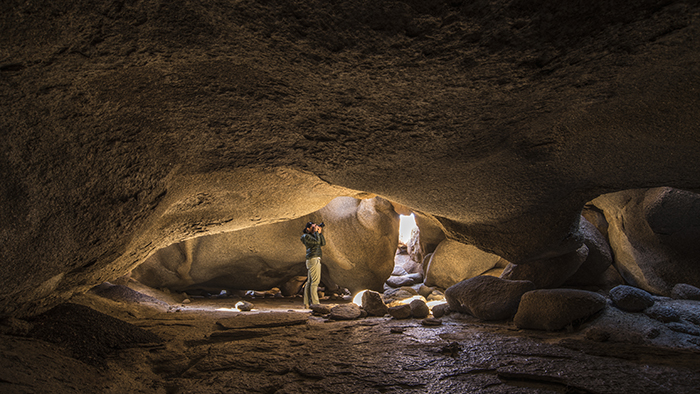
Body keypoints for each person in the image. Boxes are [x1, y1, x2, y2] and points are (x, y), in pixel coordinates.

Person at [301, 221, 326, 309]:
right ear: (308, 229)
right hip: (313, 259)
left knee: (310, 282)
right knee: (315, 282)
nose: (314, 228)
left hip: (314, 259)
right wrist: (316, 233)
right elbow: (316, 243)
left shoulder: (313, 236)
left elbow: (322, 243)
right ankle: (315, 303)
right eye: (313, 227)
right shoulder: (305, 236)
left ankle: (306, 303)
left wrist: (320, 233)